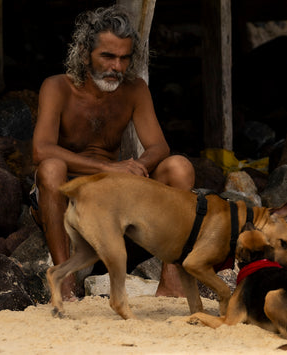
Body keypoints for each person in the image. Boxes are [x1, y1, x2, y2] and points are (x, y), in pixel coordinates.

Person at [31, 5, 195, 300]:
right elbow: (41, 150)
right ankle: (65, 284)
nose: (116, 67)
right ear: (84, 54)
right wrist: (111, 169)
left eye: (123, 58)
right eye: (107, 56)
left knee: (179, 167)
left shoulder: (135, 89)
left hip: (116, 192)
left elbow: (159, 146)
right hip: (71, 188)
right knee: (51, 167)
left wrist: (137, 167)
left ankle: (170, 284)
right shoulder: (57, 87)